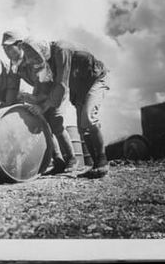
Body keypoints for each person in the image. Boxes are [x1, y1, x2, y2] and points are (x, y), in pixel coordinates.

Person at [20, 38, 110, 179]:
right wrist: (34, 99)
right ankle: (96, 166)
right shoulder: (46, 62)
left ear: (41, 49)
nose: (33, 60)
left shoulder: (62, 50)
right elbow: (48, 86)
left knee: (88, 117)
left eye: (35, 56)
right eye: (30, 58)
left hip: (95, 79)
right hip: (78, 89)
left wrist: (43, 107)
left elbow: (61, 85)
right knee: (82, 127)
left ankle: (103, 163)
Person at [2, 31, 78, 174]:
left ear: (19, 45)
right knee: (42, 123)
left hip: (55, 89)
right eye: (4, 48)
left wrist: (39, 103)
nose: (6, 51)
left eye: (9, 47)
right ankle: (58, 160)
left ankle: (72, 159)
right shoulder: (14, 64)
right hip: (41, 91)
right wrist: (7, 107)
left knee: (55, 121)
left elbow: (44, 81)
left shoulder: (33, 54)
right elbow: (12, 87)